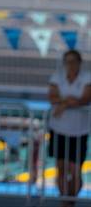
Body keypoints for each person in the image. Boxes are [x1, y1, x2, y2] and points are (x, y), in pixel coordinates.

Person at [48, 49, 91, 207]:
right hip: (59, 129)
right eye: (67, 61)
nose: (70, 65)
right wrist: (69, 102)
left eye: (73, 61)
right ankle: (64, 201)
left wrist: (63, 104)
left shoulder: (87, 77)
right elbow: (52, 97)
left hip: (79, 131)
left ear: (79, 63)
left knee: (75, 170)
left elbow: (85, 98)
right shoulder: (57, 76)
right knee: (61, 168)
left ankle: (72, 200)